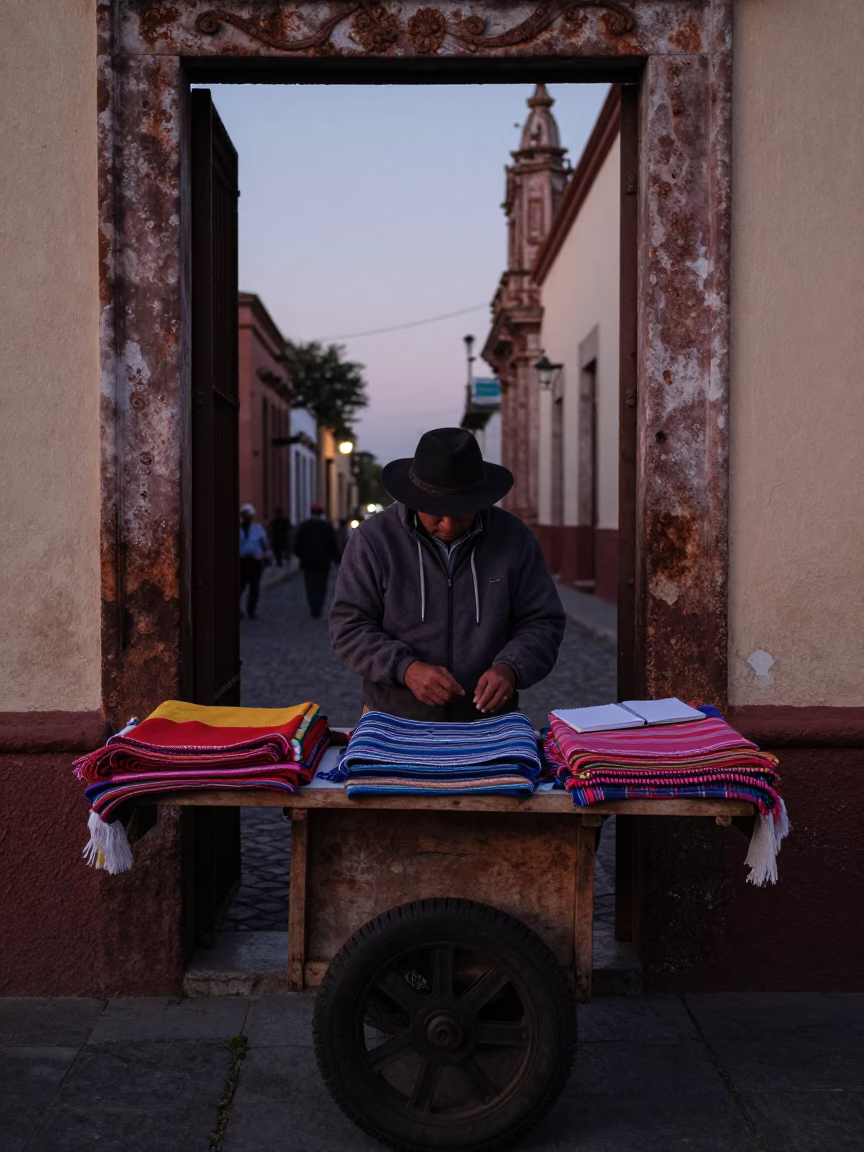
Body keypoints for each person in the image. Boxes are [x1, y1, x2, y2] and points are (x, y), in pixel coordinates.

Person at [329, 427, 565, 722]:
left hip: (489, 722)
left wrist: (511, 668)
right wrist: (406, 669)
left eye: (462, 511)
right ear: (414, 498)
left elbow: (543, 622)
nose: (449, 524)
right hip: (393, 720)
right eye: (437, 512)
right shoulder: (374, 539)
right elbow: (349, 626)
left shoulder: (514, 538)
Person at [294, 503, 341, 619]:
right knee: (321, 586)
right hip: (323, 562)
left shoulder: (305, 526)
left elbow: (297, 543)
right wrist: (335, 558)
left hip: (308, 562)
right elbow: (332, 543)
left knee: (310, 585)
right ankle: (318, 607)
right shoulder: (326, 526)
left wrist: (300, 555)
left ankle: (313, 607)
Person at [239, 503, 271, 620]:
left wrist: (267, 556)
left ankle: (251, 610)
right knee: (240, 587)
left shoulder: (257, 529)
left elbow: (264, 544)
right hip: (241, 561)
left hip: (254, 562)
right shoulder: (238, 529)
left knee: (254, 587)